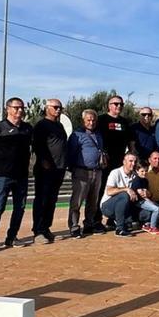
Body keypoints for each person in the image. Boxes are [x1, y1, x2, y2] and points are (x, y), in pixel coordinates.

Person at [0, 97, 33, 252]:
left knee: (20, 207)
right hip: (3, 176)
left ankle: (12, 238)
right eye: (16, 107)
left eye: (22, 108)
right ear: (8, 109)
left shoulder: (27, 128)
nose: (20, 111)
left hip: (22, 176)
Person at [31, 99, 67, 244]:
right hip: (45, 170)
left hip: (59, 168)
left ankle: (46, 228)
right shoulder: (41, 125)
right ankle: (38, 231)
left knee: (52, 200)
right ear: (47, 108)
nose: (59, 110)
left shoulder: (59, 125)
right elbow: (37, 145)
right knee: (42, 199)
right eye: (55, 107)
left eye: (60, 107)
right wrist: (44, 161)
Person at [96, 95, 134, 229]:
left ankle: (113, 219)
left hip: (120, 163)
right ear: (109, 105)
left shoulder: (125, 122)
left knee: (118, 190)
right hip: (104, 163)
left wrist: (133, 157)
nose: (119, 106)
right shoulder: (101, 120)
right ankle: (96, 221)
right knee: (101, 191)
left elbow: (131, 142)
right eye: (116, 104)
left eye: (121, 104)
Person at [67, 109, 104, 238]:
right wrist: (73, 170)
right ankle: (74, 226)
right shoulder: (77, 135)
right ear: (83, 121)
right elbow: (70, 153)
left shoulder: (99, 134)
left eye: (93, 120)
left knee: (93, 202)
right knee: (77, 201)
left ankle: (89, 224)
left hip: (97, 171)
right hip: (81, 171)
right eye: (88, 120)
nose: (91, 122)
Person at [100, 152, 139, 237]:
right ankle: (120, 229)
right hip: (107, 207)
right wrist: (126, 189)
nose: (133, 164)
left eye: (135, 162)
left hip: (125, 207)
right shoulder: (115, 173)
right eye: (130, 161)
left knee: (145, 214)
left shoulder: (135, 175)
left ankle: (123, 222)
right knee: (124, 194)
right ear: (124, 162)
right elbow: (109, 191)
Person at [129, 160, 159, 235]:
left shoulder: (145, 180)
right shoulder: (136, 180)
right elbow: (142, 195)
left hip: (144, 201)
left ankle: (147, 224)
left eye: (146, 171)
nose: (144, 173)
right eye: (142, 171)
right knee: (156, 209)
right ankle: (152, 227)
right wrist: (151, 202)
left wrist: (149, 198)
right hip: (138, 202)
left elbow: (147, 193)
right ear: (137, 171)